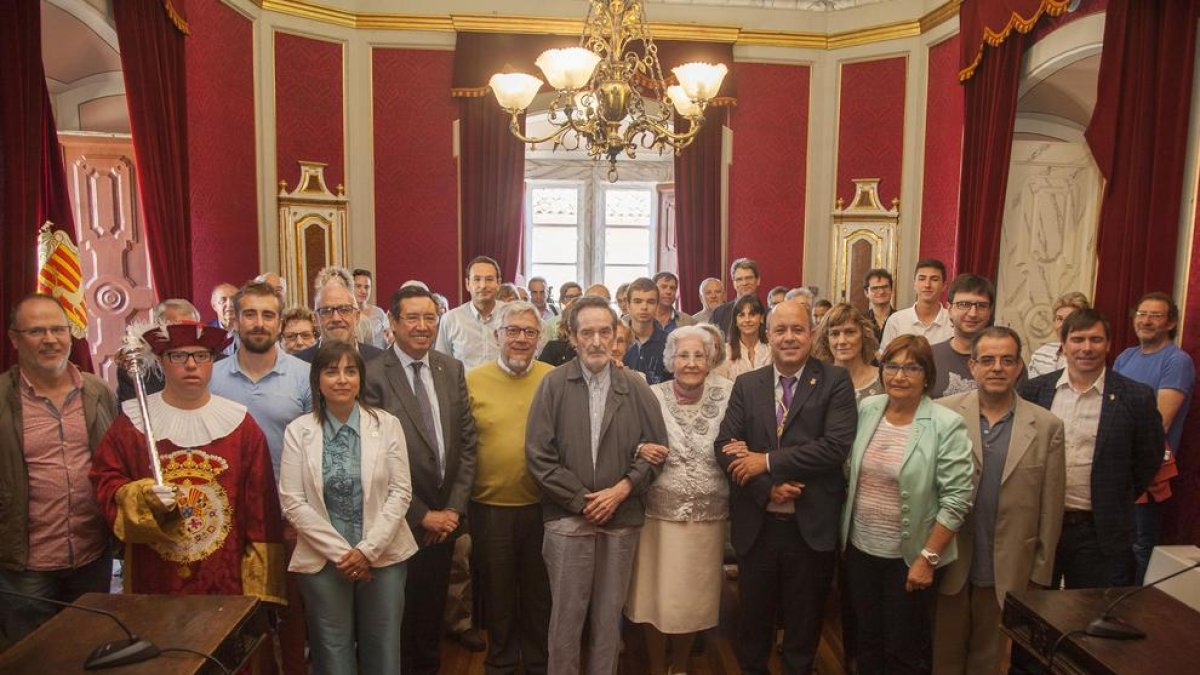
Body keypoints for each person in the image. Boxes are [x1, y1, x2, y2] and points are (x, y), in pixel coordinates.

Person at [90, 321, 286, 602]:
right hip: (154, 576)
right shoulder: (131, 425)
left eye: (201, 356)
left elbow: (260, 509)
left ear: (212, 362)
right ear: (161, 361)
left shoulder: (242, 426)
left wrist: (259, 585)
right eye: (179, 356)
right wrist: (140, 497)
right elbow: (104, 482)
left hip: (225, 578)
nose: (191, 365)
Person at [715, 299, 859, 674]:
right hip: (758, 527)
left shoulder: (834, 381)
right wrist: (767, 489)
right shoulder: (747, 384)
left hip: (810, 528)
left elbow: (834, 447)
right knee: (753, 628)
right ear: (768, 335)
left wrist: (764, 461)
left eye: (797, 329)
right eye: (780, 330)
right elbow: (725, 446)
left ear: (811, 335)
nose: (789, 337)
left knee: (803, 627)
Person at [526, 296, 667, 675]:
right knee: (566, 619)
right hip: (567, 521)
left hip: (621, 519)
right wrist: (582, 501)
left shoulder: (635, 386)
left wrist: (621, 490)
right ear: (571, 336)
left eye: (605, 331)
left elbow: (657, 453)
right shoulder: (552, 385)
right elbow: (539, 456)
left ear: (616, 334)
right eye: (586, 332)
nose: (596, 341)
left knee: (609, 619)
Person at [933, 327, 1066, 675]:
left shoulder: (1047, 426)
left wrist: (1040, 572)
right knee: (942, 658)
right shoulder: (941, 414)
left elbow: (1051, 510)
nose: (997, 368)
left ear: (1019, 366)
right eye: (987, 360)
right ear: (972, 366)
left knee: (990, 662)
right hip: (951, 562)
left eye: (1007, 360)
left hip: (1008, 569)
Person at [278, 342, 416, 675]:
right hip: (323, 559)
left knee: (383, 647)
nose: (342, 379)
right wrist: (345, 555)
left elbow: (401, 492)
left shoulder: (386, 425)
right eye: (331, 371)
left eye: (350, 371)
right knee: (332, 650)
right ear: (317, 380)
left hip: (383, 554)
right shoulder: (299, 431)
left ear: (360, 378)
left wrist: (367, 551)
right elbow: (292, 500)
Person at [841, 334, 974, 673]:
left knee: (904, 649)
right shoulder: (868, 409)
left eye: (911, 368)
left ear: (927, 375)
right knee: (867, 640)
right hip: (861, 551)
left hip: (911, 557)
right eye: (892, 366)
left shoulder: (946, 423)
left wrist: (928, 559)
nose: (899, 376)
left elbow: (958, 499)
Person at [363, 285, 478, 675]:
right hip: (396, 522)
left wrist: (452, 510)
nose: (422, 326)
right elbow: (371, 458)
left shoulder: (451, 369)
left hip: (444, 522)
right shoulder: (374, 374)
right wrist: (421, 515)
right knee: (396, 619)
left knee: (431, 616)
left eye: (430, 317)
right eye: (412, 317)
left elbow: (466, 445)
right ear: (392, 323)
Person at [0, 294, 117, 645]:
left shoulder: (97, 392)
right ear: (14, 338)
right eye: (36, 331)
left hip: (91, 556)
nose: (50, 340)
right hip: (25, 566)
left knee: (88, 650)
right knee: (30, 657)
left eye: (57, 329)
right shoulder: (3, 398)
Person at [1018, 309, 1163, 589]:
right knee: (1033, 613)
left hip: (1099, 531)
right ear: (1063, 344)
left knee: (1089, 618)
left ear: (1109, 344)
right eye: (1078, 339)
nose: (1087, 348)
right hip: (1040, 526)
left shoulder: (1135, 396)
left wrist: (1115, 494)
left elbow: (1149, 458)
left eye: (1096, 340)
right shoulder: (1034, 392)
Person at [209, 281, 312, 673]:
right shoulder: (212, 377)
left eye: (268, 315)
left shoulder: (303, 376)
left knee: (293, 609)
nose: (258, 323)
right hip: (228, 519)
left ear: (280, 322)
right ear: (234, 319)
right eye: (249, 313)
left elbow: (314, 451)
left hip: (288, 515)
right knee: (236, 611)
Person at [626, 326, 731, 675]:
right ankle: (658, 667)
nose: (690, 363)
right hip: (658, 516)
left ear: (710, 359)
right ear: (671, 361)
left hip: (706, 518)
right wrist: (640, 448)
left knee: (692, 604)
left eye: (698, 355)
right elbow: (627, 440)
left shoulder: (730, 394)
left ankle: (681, 667)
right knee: (655, 599)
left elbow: (743, 435)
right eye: (683, 355)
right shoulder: (649, 395)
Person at [466, 302, 554, 674]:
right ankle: (500, 661)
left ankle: (537, 660)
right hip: (489, 508)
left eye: (529, 332)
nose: (520, 339)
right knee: (498, 593)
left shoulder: (555, 378)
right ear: (496, 335)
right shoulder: (471, 379)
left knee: (539, 593)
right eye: (512, 331)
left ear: (539, 337)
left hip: (544, 507)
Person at [1113, 292, 1194, 584]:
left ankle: (1140, 610)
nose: (1146, 321)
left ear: (1170, 323)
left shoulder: (1177, 360)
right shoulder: (1126, 356)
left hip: (1148, 468)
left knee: (1140, 543)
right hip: (1117, 464)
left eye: (1155, 316)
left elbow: (1159, 422)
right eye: (1141, 314)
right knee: (1117, 542)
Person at [930, 274, 1013, 398]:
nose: (973, 313)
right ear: (949, 309)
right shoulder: (929, 357)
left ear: (990, 311)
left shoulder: (1008, 361)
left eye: (981, 306)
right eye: (964, 304)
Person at [116, 298, 203, 404]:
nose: (184, 336)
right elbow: (131, 414)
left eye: (190, 329)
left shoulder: (216, 364)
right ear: (157, 330)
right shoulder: (135, 369)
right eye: (175, 329)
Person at [437, 255, 505, 370]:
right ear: (467, 284)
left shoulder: (511, 316)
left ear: (498, 283)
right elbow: (441, 365)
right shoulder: (451, 319)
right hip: (463, 387)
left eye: (489, 279)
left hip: (504, 387)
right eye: (477, 279)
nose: (483, 286)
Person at [295, 280, 384, 363]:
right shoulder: (299, 364)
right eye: (326, 311)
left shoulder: (380, 362)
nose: (336, 318)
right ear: (315, 319)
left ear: (357, 317)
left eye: (344, 310)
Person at [813, 303, 883, 401]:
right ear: (826, 339)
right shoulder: (815, 383)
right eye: (835, 334)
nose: (842, 341)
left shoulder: (884, 380)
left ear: (864, 335)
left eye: (850, 332)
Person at [879, 258, 953, 349]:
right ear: (914, 284)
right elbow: (885, 358)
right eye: (922, 279)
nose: (927, 285)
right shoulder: (896, 321)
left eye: (934, 279)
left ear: (944, 286)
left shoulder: (953, 321)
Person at [1026, 292, 1089, 378]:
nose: (1063, 324)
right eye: (1059, 319)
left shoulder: (1088, 357)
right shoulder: (1041, 354)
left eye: (1070, 319)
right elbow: (1031, 390)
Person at [714, 294, 771, 381]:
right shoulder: (724, 352)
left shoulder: (772, 349)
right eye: (741, 315)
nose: (747, 320)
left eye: (752, 314)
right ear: (736, 321)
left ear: (761, 318)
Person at [624, 277, 671, 384]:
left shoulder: (670, 342)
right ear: (628, 305)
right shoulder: (616, 341)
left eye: (650, 302)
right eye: (637, 301)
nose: (644, 307)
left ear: (657, 305)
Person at [710, 258, 762, 338]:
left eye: (749, 278)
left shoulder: (768, 313)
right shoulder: (719, 314)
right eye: (739, 279)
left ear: (758, 280)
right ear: (734, 283)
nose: (744, 283)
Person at [353, 268, 389, 348]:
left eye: (367, 287)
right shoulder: (346, 314)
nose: (363, 291)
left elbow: (390, 336)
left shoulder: (379, 313)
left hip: (379, 357)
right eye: (358, 286)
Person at [863, 268, 896, 341]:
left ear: (891, 289)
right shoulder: (860, 320)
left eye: (885, 287)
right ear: (866, 293)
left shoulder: (901, 319)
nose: (881, 292)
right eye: (875, 288)